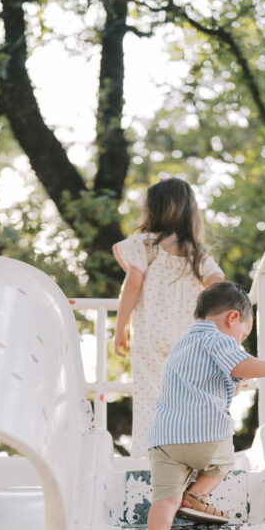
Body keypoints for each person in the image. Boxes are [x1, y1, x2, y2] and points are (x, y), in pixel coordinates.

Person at [139, 280, 265, 530]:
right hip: (204, 437)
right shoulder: (219, 339)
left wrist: (234, 382)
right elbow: (243, 364)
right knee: (225, 460)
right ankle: (197, 495)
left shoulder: (182, 344)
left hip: (163, 440)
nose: (239, 340)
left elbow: (210, 378)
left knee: (165, 500)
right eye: (242, 334)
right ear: (233, 318)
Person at [113, 175, 224, 456]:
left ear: (157, 210)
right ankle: (186, 455)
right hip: (188, 337)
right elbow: (218, 281)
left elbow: (133, 282)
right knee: (185, 399)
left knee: (150, 399)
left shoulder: (146, 244)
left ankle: (147, 457)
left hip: (150, 334)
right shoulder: (196, 252)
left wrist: (120, 327)